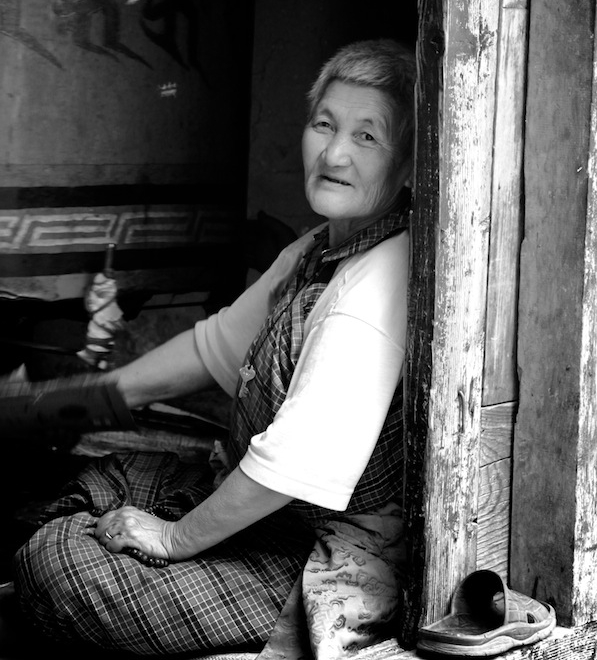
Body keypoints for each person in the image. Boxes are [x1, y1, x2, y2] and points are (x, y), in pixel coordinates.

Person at [13, 37, 416, 659]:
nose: (334, 152)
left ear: (411, 162)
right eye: (324, 124)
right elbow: (210, 350)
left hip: (316, 555)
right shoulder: (318, 249)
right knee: (102, 479)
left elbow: (295, 466)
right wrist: (50, 405)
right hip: (263, 513)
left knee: (58, 559)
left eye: (368, 136)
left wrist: (174, 539)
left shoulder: (381, 278)